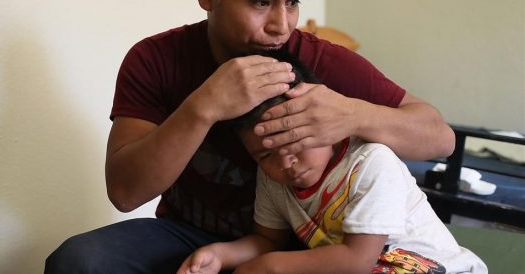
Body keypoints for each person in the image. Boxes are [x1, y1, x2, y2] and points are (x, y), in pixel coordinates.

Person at [45, 0, 455, 272]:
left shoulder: (319, 64)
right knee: (81, 261)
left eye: (292, 2)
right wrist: (203, 106)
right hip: (189, 235)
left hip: (307, 241)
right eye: (261, 3)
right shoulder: (156, 59)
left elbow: (440, 137)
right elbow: (124, 192)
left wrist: (353, 114)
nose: (282, 25)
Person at [177, 49, 487, 274]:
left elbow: (357, 260)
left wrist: (271, 267)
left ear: (320, 122)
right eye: (266, 154)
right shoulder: (273, 178)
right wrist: (219, 255)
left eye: (295, 140)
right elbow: (266, 240)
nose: (286, 161)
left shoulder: (370, 162)